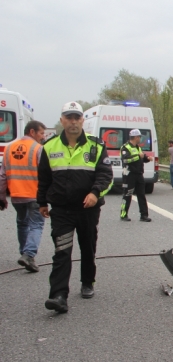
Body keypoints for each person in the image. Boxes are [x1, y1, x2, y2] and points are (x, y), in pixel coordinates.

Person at [38, 101, 113, 313]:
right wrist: (42, 202)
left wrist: (94, 193)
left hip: (88, 209)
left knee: (87, 247)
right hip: (62, 210)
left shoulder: (96, 146)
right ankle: (59, 295)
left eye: (77, 118)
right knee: (62, 251)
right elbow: (44, 178)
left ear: (83, 120)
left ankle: (87, 281)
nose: (73, 122)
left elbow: (105, 176)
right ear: (62, 120)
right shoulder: (49, 146)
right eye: (69, 118)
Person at [0, 120, 47, 272]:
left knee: (22, 223)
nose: (43, 136)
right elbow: (44, 174)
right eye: (41, 133)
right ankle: (29, 254)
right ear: (32, 132)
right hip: (34, 195)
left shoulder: (9, 148)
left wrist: (1, 197)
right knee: (36, 224)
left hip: (16, 195)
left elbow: (2, 176)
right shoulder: (38, 149)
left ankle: (24, 252)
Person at [120, 129, 151, 222]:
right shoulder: (125, 147)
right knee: (127, 194)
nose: (140, 138)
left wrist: (147, 158)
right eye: (139, 137)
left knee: (141, 195)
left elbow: (141, 157)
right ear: (136, 137)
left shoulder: (138, 147)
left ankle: (144, 215)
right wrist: (139, 156)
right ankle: (123, 214)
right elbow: (126, 160)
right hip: (129, 175)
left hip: (139, 174)